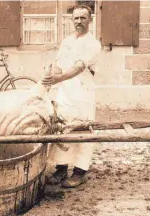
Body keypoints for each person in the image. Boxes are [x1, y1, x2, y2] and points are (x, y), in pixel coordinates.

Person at [42, 4, 101, 188]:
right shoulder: (67, 41)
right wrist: (50, 75)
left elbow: (78, 68)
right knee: (61, 129)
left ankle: (79, 172)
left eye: (83, 18)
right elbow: (59, 63)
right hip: (65, 93)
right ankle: (61, 169)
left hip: (82, 93)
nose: (79, 22)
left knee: (82, 131)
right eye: (76, 18)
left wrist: (57, 78)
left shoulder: (93, 44)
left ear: (90, 20)